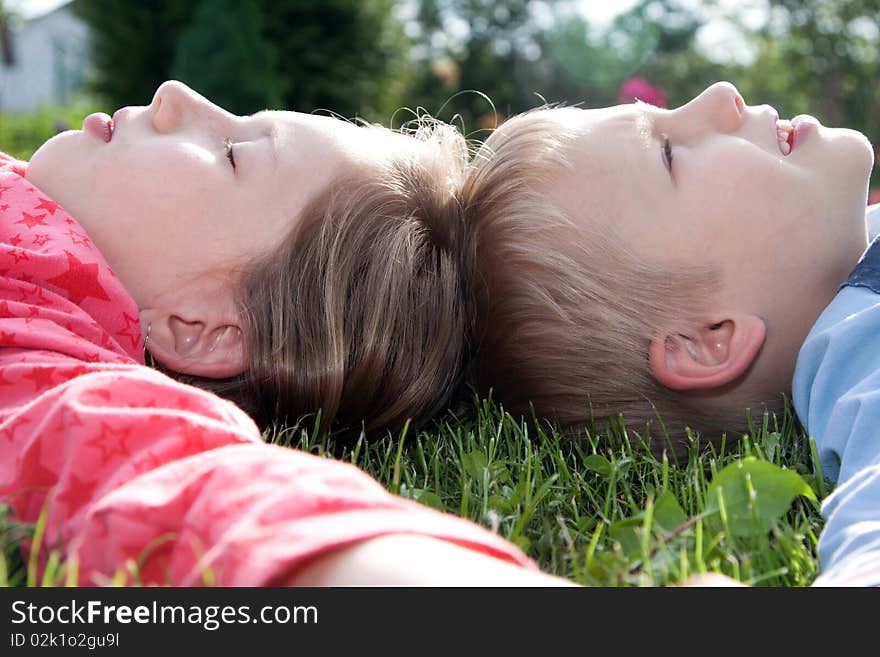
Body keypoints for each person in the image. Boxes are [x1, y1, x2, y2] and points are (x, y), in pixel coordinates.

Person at [0, 79, 576, 586]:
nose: (175, 95)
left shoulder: (35, 326)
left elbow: (203, 496)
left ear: (198, 329)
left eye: (230, 153)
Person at [461, 81, 880, 586]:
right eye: (669, 154)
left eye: (663, 112)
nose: (721, 94)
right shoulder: (861, 348)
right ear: (708, 341)